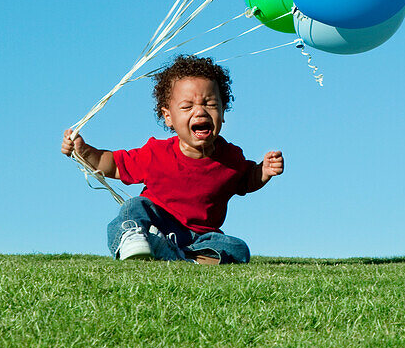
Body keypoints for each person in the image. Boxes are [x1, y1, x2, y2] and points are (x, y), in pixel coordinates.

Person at [61, 54, 284, 264]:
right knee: (135, 206)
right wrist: (84, 151)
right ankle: (133, 240)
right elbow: (113, 165)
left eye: (211, 104)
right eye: (187, 106)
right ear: (168, 117)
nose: (200, 112)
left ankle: (181, 258)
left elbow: (246, 180)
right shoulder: (156, 153)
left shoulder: (231, 157)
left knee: (237, 248)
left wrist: (263, 171)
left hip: (201, 238)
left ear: (223, 112)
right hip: (157, 225)